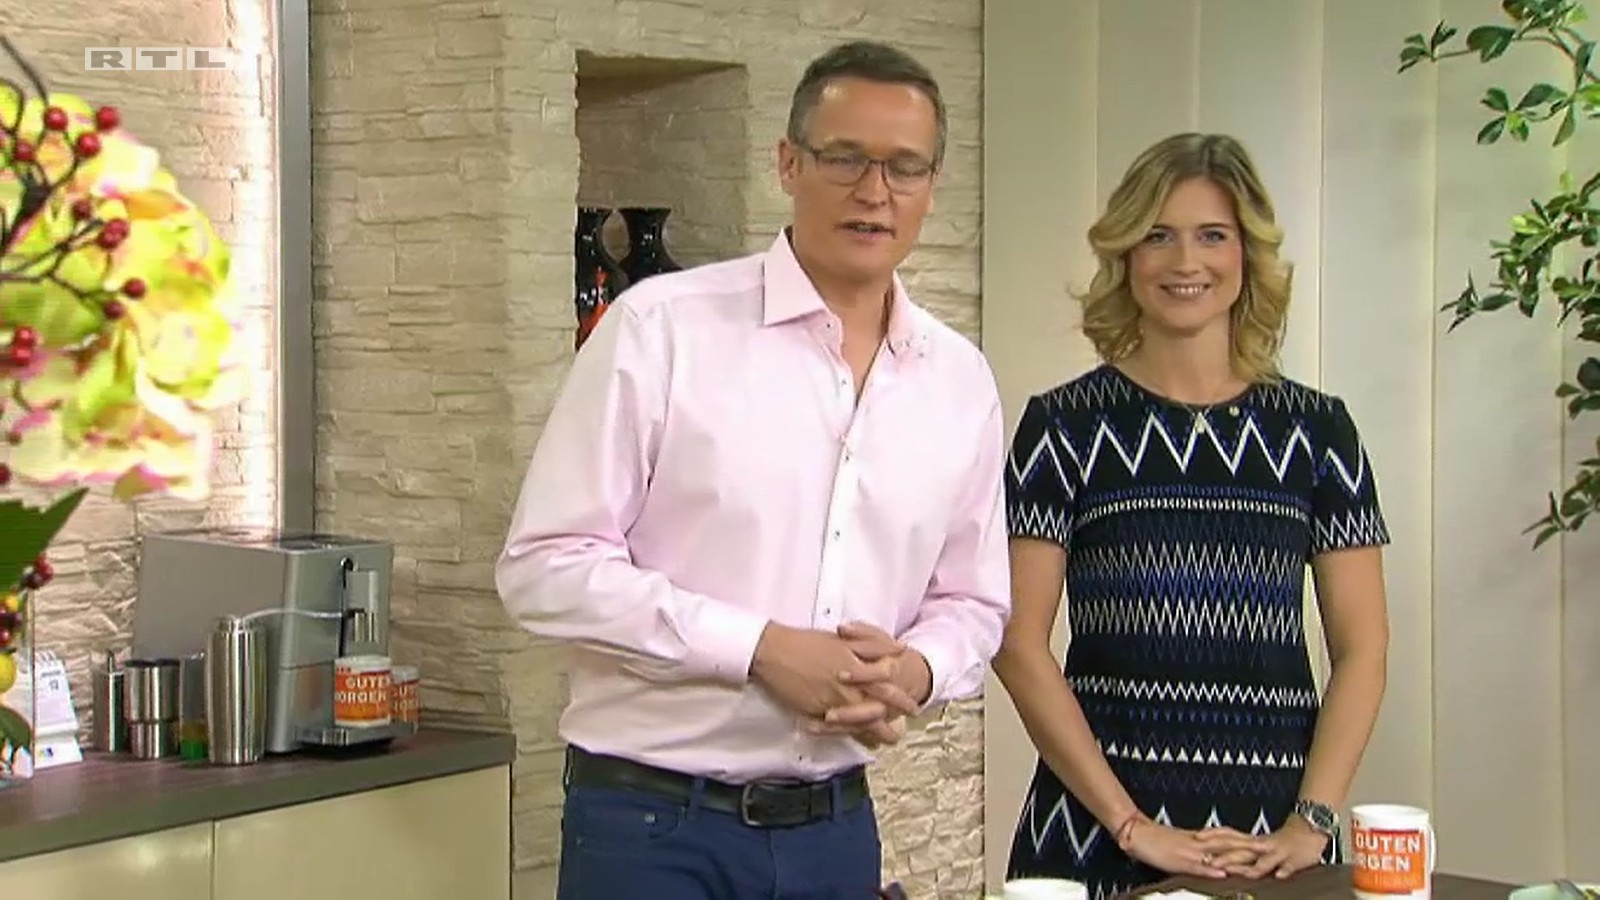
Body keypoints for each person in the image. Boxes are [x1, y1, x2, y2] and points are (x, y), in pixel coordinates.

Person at [495, 40, 1011, 900]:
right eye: (844, 157)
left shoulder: (958, 380)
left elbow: (975, 601)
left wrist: (914, 671)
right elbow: (545, 567)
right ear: (788, 163)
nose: (874, 190)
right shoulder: (663, 329)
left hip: (837, 828)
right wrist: (759, 649)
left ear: (932, 185)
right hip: (653, 828)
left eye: (904, 167)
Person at [993, 132, 1391, 899]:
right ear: (1125, 255)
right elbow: (1017, 642)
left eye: (1212, 235)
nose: (1185, 262)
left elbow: (1364, 646)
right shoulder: (1063, 427)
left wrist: (1310, 823)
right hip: (1094, 834)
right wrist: (1131, 826)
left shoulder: (1318, 431)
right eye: (1157, 236)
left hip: (1274, 841)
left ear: (1247, 254)